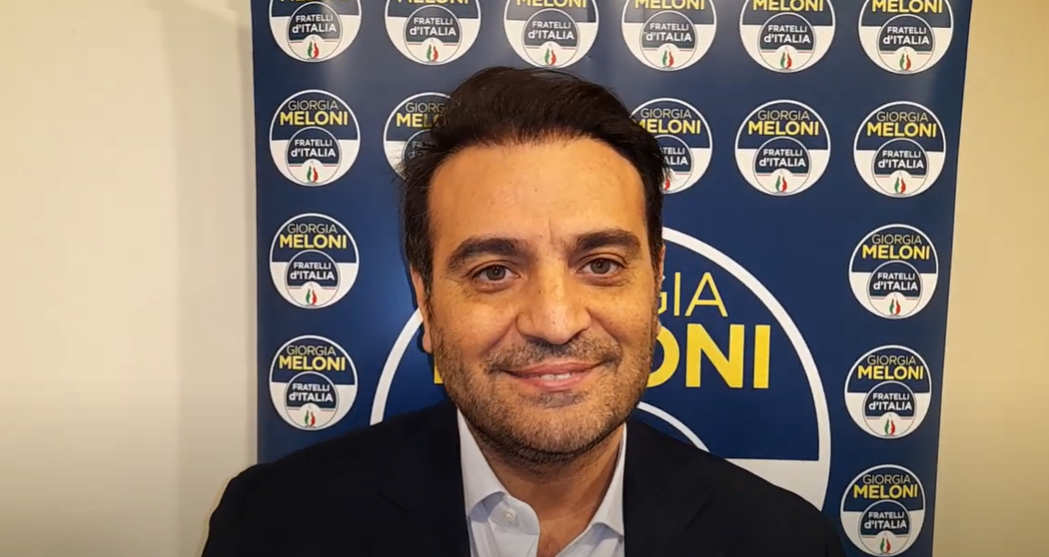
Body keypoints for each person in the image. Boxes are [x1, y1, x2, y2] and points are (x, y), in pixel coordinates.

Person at [201, 66, 847, 557]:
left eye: (600, 264)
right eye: (494, 271)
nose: (555, 322)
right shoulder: (272, 528)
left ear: (656, 282)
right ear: (425, 299)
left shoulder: (785, 541)